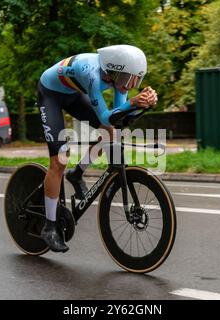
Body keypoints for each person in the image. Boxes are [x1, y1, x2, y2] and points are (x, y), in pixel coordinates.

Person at [37, 44, 158, 252]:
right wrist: (133, 103)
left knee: (110, 132)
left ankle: (77, 173)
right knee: (59, 160)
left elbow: (119, 118)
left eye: (136, 80)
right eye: (127, 79)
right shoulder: (91, 73)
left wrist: (143, 105)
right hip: (50, 93)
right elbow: (105, 116)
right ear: (113, 70)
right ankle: (49, 226)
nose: (130, 86)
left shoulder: (116, 78)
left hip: (73, 93)